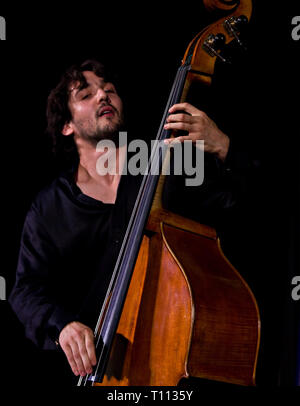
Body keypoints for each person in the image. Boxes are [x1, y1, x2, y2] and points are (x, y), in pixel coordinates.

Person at [9, 58, 258, 382]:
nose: (103, 96)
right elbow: (25, 289)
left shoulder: (169, 163)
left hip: (171, 364)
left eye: (109, 90)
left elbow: (249, 205)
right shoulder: (49, 207)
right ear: (66, 125)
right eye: (85, 95)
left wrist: (224, 147)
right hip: (102, 375)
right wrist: (63, 327)